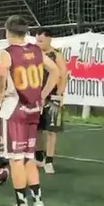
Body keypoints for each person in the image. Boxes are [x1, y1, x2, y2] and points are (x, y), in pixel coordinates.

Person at [0, 15, 60, 206]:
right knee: (29, 158)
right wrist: (42, 95)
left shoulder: (7, 53)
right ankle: (38, 203)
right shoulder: (36, 50)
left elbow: (1, 79)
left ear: (7, 31)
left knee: (15, 160)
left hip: (14, 109)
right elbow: (55, 71)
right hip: (33, 109)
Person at [34, 28, 68, 174]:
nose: (38, 43)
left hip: (52, 97)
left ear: (49, 40)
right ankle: (39, 157)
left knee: (51, 130)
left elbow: (63, 75)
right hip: (36, 95)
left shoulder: (56, 55)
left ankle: (49, 161)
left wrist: (59, 94)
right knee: (36, 129)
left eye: (41, 41)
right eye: (37, 40)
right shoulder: (34, 54)